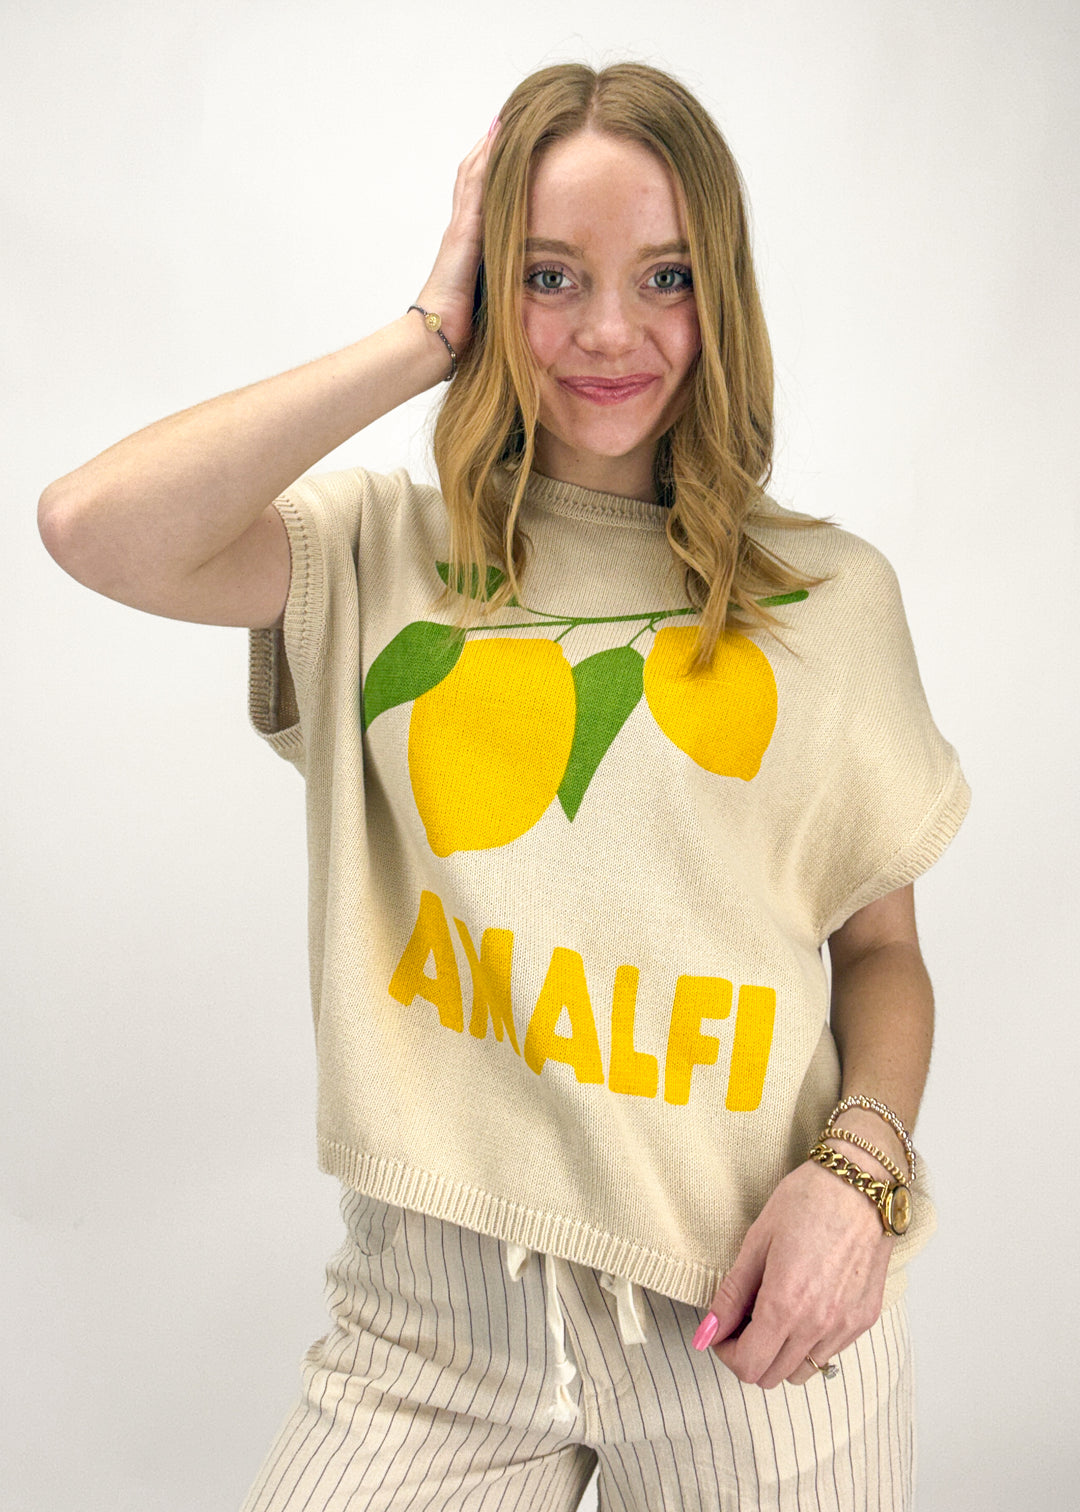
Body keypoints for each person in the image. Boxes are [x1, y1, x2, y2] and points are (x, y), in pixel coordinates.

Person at [38, 61, 968, 1512]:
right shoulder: (376, 557)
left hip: (750, 1316)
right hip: (429, 1332)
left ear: (720, 292)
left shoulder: (830, 600)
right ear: (489, 282)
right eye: (549, 276)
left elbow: (883, 952)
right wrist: (424, 338)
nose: (609, 330)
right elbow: (93, 529)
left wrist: (857, 1185)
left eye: (664, 276)